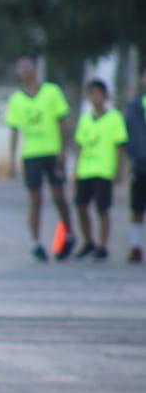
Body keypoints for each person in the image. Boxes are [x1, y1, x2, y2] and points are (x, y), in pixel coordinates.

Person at [5, 54, 74, 261]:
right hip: (31, 154)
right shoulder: (16, 99)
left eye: (28, 67)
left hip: (52, 152)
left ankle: (68, 233)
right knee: (35, 198)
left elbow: (62, 122)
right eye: (21, 68)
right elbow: (14, 131)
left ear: (35, 69)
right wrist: (11, 159)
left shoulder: (51, 92)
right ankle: (36, 242)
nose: (25, 71)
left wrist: (63, 150)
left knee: (58, 197)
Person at [72, 80, 127, 261]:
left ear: (105, 96)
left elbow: (120, 146)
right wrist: (75, 169)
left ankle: (103, 244)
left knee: (102, 208)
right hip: (86, 169)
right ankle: (88, 240)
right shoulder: (85, 120)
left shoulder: (114, 118)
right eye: (92, 94)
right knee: (80, 206)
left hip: (104, 169)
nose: (96, 97)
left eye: (99, 94)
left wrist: (119, 169)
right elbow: (80, 145)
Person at [122, 66, 146, 264]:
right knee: (137, 208)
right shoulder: (135, 105)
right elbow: (131, 136)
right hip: (141, 165)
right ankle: (136, 246)